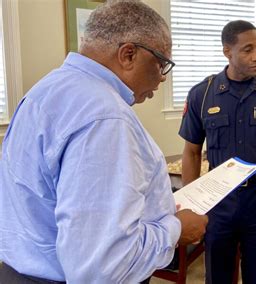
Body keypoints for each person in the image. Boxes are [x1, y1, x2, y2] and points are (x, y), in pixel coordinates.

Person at [0, 2, 208, 283]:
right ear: (128, 54)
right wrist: (175, 230)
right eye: (161, 64)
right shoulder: (106, 118)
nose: (161, 78)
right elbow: (102, 266)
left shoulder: (46, 89)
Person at [178, 20, 256, 283]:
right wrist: (194, 205)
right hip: (218, 204)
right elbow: (192, 153)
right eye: (248, 50)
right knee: (218, 275)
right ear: (227, 51)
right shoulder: (201, 95)